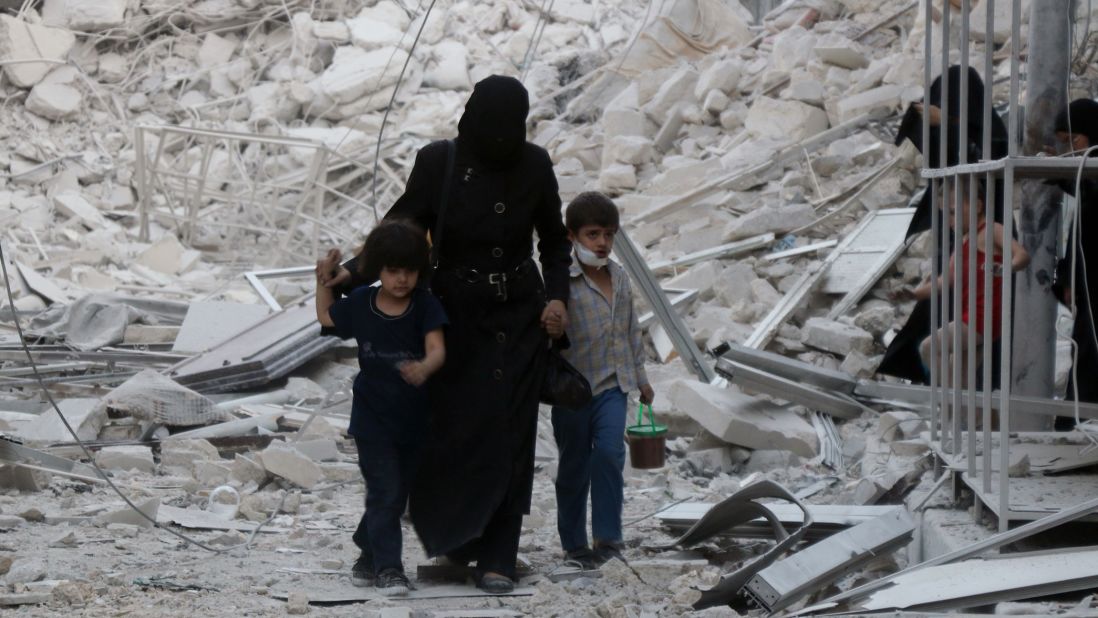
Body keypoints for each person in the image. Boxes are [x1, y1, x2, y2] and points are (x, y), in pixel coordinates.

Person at [318, 75, 572, 593]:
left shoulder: (535, 163)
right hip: (453, 317)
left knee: (510, 433)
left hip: (519, 318)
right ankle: (443, 539)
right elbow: (402, 228)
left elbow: (553, 240)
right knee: (448, 434)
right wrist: (351, 272)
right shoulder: (441, 161)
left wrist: (557, 299)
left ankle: (499, 553)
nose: (502, 139)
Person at [314, 220, 448, 596]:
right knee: (385, 492)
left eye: (409, 271)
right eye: (393, 271)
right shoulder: (360, 303)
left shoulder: (425, 305)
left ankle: (368, 551)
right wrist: (322, 282)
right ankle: (390, 570)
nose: (401, 279)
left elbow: (438, 348)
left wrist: (425, 367)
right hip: (373, 420)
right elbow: (326, 317)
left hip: (416, 420)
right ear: (378, 270)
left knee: (393, 495)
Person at [880, 65, 1009, 384]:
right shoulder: (953, 129)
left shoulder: (988, 135)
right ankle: (947, 397)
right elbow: (937, 155)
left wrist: (951, 124)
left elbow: (985, 157)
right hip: (954, 236)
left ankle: (965, 403)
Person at [550, 192, 653, 570]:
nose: (602, 243)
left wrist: (641, 379)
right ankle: (575, 543)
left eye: (609, 234)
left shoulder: (620, 277)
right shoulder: (560, 281)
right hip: (572, 390)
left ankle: (608, 538)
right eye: (593, 234)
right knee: (574, 463)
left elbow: (630, 331)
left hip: (612, 386)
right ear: (572, 237)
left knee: (610, 453)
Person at [894, 178, 1029, 385]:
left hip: (983, 318)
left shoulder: (991, 230)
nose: (949, 220)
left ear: (977, 206)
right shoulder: (964, 241)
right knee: (962, 380)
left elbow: (1021, 255)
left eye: (953, 211)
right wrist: (913, 294)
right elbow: (945, 281)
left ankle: (947, 407)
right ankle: (968, 415)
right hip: (972, 317)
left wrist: (1006, 268)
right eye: (944, 214)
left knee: (929, 348)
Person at [1053, 98, 1098, 407]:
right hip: (1088, 282)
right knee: (1085, 349)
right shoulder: (1087, 174)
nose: (1069, 151)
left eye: (1073, 141)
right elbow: (1081, 232)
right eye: (1062, 144)